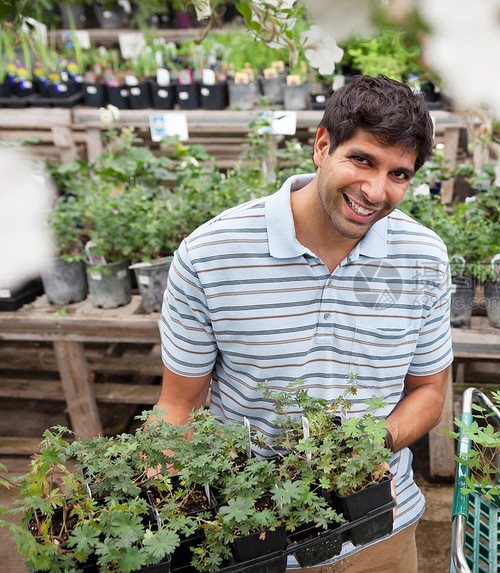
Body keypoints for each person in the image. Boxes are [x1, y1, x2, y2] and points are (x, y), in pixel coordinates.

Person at [156, 75, 452, 572]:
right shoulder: (212, 254)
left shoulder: (424, 257)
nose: (375, 190)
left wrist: (366, 448)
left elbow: (430, 393)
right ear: (321, 145)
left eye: (398, 174)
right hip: (252, 532)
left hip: (382, 525)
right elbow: (178, 405)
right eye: (362, 159)